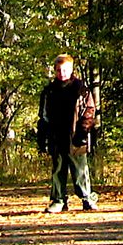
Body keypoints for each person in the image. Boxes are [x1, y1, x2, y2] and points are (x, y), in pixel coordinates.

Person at [36, 53, 98, 212]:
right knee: (58, 171)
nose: (61, 73)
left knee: (80, 171)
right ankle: (58, 200)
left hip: (76, 137)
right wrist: (42, 138)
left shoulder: (81, 89)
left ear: (71, 69)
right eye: (58, 70)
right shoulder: (49, 91)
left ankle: (87, 199)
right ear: (55, 71)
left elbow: (89, 110)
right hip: (56, 137)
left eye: (64, 70)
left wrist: (84, 130)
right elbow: (43, 116)